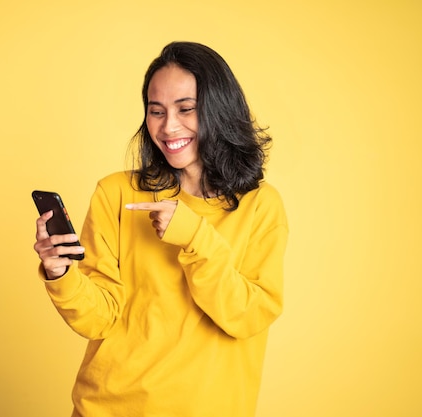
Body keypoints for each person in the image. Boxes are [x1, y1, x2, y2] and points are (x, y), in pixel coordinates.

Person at [33, 41, 288, 417]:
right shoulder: (116, 193)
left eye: (186, 109)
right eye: (156, 111)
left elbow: (247, 316)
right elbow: (99, 319)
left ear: (220, 110)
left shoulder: (261, 205)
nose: (169, 126)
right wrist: (61, 272)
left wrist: (194, 235)